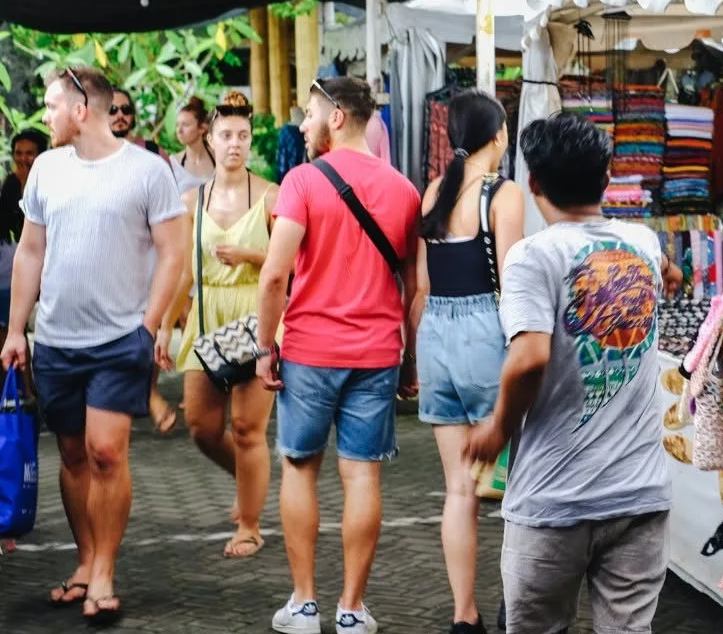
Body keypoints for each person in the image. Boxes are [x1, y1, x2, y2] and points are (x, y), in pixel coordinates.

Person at [465, 113, 679, 634]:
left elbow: (530, 356)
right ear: (606, 179)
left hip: (554, 501)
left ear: (533, 183)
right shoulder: (643, 244)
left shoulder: (532, 257)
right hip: (640, 495)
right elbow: (671, 270)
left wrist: (497, 425)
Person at [0, 67, 186, 622]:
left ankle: (105, 568)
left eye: (53, 106)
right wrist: (16, 330)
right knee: (75, 455)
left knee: (107, 452)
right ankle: (85, 562)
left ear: (82, 110)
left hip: (118, 340)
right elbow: (31, 251)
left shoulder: (148, 172)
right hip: (56, 340)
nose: (46, 117)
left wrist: (148, 327)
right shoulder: (47, 171)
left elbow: (172, 254)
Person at [256, 76, 421, 634]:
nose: (302, 124)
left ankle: (304, 605)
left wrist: (263, 347)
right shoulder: (404, 190)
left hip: (308, 351)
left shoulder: (301, 181)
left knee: (300, 468)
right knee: (362, 478)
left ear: (336, 117)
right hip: (377, 354)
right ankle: (351, 609)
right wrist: (411, 358)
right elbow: (412, 287)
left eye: (308, 113)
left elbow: (276, 272)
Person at [416, 90, 524, 634]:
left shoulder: (434, 190)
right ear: (498, 135)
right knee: (516, 486)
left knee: (460, 489)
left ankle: (464, 615)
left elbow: (421, 284)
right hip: (486, 335)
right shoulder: (504, 195)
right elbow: (513, 282)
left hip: (435, 333)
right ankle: (518, 605)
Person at [155, 91, 279, 558]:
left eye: (243, 136)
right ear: (210, 136)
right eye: (226, 135)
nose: (235, 144)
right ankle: (249, 478)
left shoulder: (272, 194)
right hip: (207, 319)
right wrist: (166, 324)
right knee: (202, 427)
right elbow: (185, 271)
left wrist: (250, 254)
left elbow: (291, 264)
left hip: (256, 317)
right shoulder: (192, 199)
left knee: (249, 430)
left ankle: (250, 524)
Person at [0, 129, 49, 340]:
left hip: (48, 268)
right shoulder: (10, 184)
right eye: (18, 153)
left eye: (29, 153)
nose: (23, 158)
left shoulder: (52, 183)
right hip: (19, 269)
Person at [169, 96, 215, 193]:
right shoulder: (173, 164)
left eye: (185, 125)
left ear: (202, 128)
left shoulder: (219, 159)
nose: (179, 130)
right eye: (177, 125)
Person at [110, 88, 168, 159]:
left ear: (132, 114)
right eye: (112, 109)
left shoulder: (153, 151)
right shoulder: (94, 156)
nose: (120, 115)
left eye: (126, 109)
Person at [276, 106, 306, 182]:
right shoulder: (287, 130)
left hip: (294, 169)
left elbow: (282, 153)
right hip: (297, 169)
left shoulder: (286, 130)